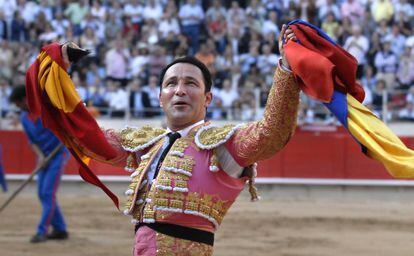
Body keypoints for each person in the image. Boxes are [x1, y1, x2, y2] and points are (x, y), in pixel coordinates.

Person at [28, 25, 299, 254]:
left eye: (191, 84)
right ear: (160, 98)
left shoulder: (223, 144)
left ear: (208, 99)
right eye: (171, 84)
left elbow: (272, 133)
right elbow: (91, 139)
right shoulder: (146, 144)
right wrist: (58, 75)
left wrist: (286, 70)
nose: (179, 90)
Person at [9, 86, 69, 243]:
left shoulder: (47, 108)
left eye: (17, 103)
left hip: (58, 154)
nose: (17, 107)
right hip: (43, 157)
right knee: (42, 194)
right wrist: (41, 156)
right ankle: (60, 229)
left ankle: (42, 231)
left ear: (24, 99)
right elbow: (32, 141)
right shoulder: (24, 118)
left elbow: (65, 127)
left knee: (47, 193)